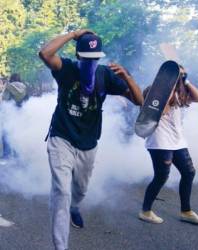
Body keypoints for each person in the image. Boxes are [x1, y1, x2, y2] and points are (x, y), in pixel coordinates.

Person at [39, 29, 143, 250]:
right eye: (86, 58)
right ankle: (61, 246)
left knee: (80, 190)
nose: (91, 63)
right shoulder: (66, 68)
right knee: (62, 192)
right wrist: (73, 34)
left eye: (95, 58)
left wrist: (127, 77)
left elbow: (139, 101)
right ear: (78, 56)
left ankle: (75, 207)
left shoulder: (106, 75)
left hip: (88, 143)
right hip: (61, 138)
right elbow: (45, 54)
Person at [139, 66, 198, 224]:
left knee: (189, 173)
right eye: (177, 74)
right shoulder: (153, 90)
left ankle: (186, 211)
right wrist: (168, 84)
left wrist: (186, 80)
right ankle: (145, 211)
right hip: (160, 142)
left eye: (182, 75)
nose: (179, 77)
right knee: (161, 176)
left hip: (178, 141)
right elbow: (162, 110)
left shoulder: (180, 91)